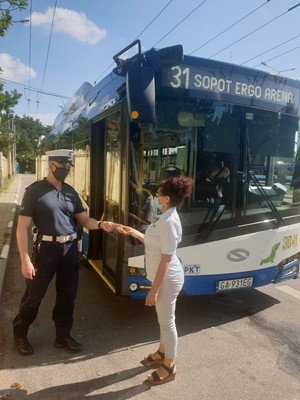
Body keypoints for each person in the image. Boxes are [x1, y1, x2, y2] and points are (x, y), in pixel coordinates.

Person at [13, 149, 114, 356]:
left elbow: (85, 221)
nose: (66, 171)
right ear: (51, 166)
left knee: (68, 295)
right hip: (46, 250)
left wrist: (102, 224)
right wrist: (24, 259)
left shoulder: (70, 192)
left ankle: (62, 336)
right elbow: (22, 227)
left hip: (69, 249)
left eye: (69, 167)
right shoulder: (34, 191)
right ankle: (20, 333)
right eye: (63, 167)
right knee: (35, 294)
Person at [115, 176, 193, 385]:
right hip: (165, 278)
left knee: (167, 322)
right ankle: (161, 352)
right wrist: (132, 232)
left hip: (168, 279)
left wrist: (154, 290)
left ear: (166, 198)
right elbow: (154, 242)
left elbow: (166, 260)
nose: (156, 196)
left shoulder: (168, 222)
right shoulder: (164, 216)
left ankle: (169, 365)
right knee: (164, 320)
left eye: (158, 194)